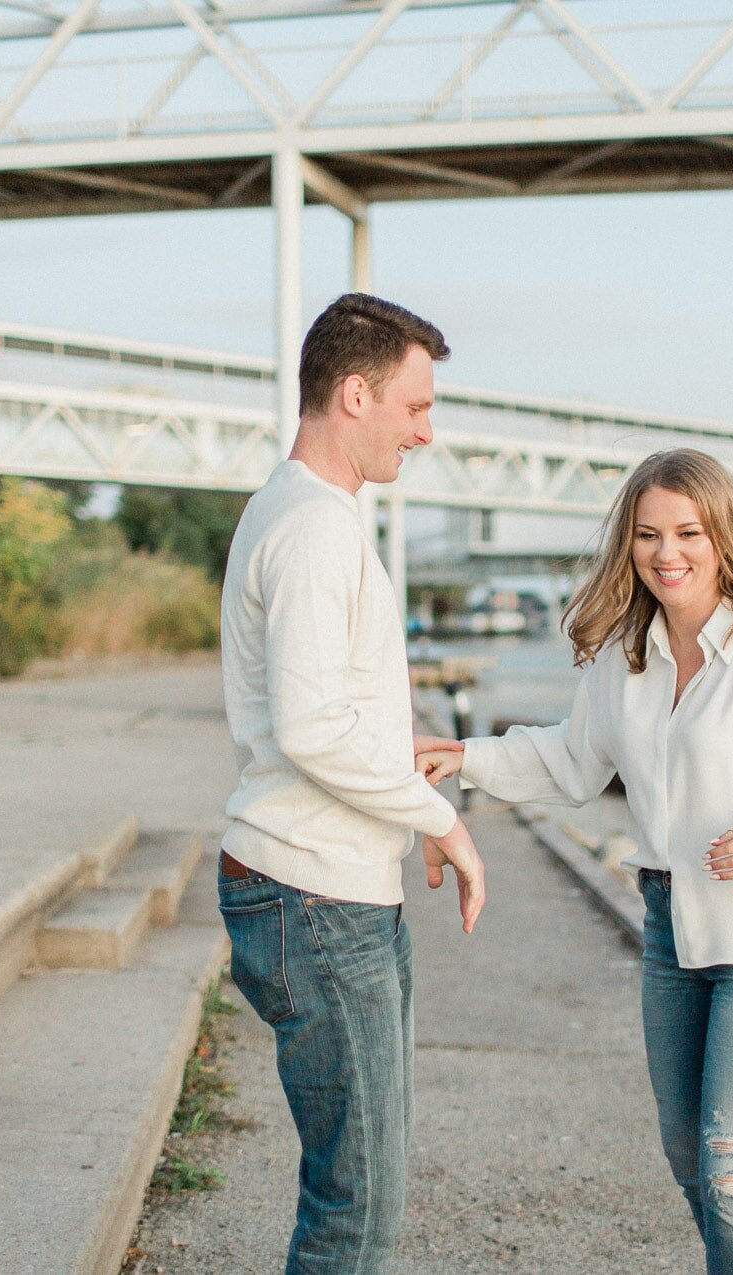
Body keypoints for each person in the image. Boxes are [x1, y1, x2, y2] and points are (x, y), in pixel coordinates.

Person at [418, 447, 733, 1275]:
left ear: (723, 536)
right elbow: (570, 761)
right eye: (648, 534)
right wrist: (466, 756)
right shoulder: (624, 657)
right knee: (687, 1156)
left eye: (689, 532)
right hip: (671, 932)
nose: (669, 553)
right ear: (628, 544)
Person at [219, 293, 486, 1274]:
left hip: (321, 891)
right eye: (414, 406)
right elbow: (309, 726)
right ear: (354, 392)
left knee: (359, 1183)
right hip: (315, 897)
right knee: (357, 1203)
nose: (425, 429)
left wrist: (394, 751)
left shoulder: (293, 512)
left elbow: (324, 711)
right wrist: (441, 824)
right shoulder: (313, 531)